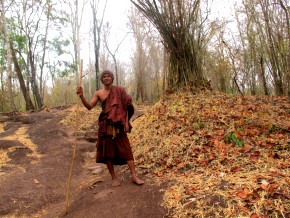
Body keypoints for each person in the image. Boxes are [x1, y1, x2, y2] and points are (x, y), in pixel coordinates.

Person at [76, 70, 144, 187]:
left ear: (112, 78)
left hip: (118, 126)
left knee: (127, 150)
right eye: (104, 76)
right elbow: (89, 106)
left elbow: (127, 106)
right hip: (105, 126)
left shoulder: (120, 90)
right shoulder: (98, 93)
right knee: (108, 153)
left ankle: (134, 176)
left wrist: (127, 122)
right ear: (102, 79)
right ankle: (114, 178)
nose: (106, 78)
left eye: (108, 76)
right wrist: (82, 96)